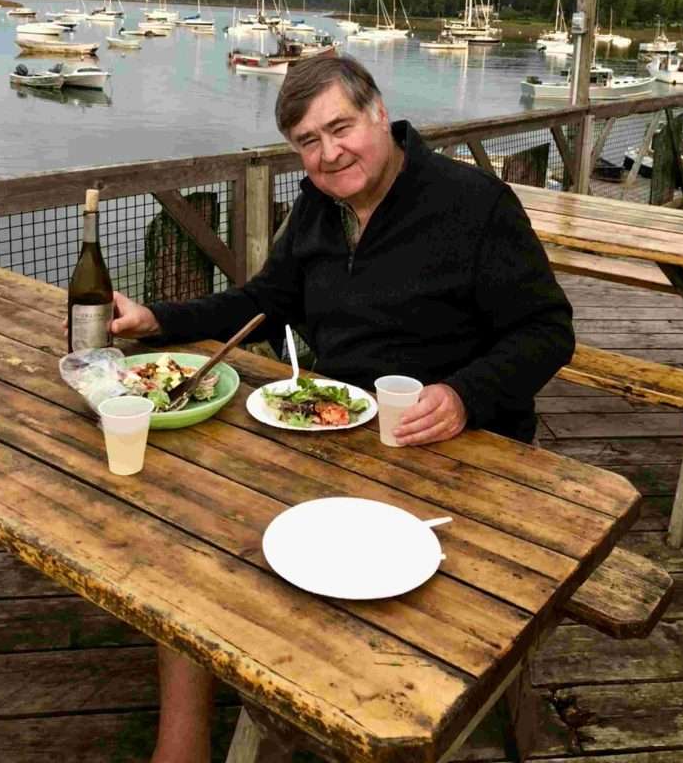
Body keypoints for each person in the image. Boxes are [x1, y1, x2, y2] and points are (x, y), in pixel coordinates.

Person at [110, 54, 575, 763]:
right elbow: (265, 304)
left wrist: (463, 394)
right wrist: (158, 321)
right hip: (330, 436)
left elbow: (547, 331)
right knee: (190, 538)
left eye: (340, 128)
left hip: (462, 456)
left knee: (367, 615)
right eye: (307, 141)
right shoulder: (316, 208)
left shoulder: (474, 204)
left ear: (378, 112)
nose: (328, 154)